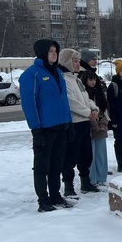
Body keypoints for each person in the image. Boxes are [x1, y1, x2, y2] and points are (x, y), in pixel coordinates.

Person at [18, 39, 73, 213]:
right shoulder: (31, 75)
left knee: (57, 164)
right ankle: (43, 200)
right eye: (50, 51)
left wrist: (69, 123)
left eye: (56, 51)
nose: (54, 54)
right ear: (42, 52)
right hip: (44, 129)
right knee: (42, 167)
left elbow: (65, 101)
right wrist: (36, 129)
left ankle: (55, 195)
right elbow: (29, 105)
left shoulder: (58, 72)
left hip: (61, 126)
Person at [59, 49, 100, 196]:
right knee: (70, 157)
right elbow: (71, 102)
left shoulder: (76, 79)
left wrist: (93, 108)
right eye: (75, 61)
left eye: (78, 61)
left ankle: (85, 181)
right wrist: (88, 113)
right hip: (73, 123)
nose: (77, 64)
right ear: (66, 61)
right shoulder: (63, 79)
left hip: (84, 123)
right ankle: (69, 186)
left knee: (85, 155)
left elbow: (85, 98)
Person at [82, 71, 109, 186]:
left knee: (101, 155)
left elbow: (105, 111)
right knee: (90, 155)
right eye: (90, 79)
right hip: (89, 128)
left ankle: (101, 177)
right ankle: (91, 179)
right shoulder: (83, 94)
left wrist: (103, 124)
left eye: (94, 79)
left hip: (101, 127)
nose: (93, 82)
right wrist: (94, 125)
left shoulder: (100, 93)